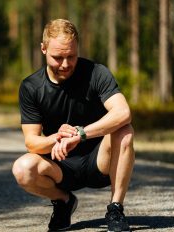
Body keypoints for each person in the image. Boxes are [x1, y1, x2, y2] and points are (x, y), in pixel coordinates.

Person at [12, 18, 135, 232]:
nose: (66, 64)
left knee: (124, 131)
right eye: (58, 58)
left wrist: (81, 134)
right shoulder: (31, 87)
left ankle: (116, 209)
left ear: (78, 48)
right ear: (43, 49)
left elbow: (123, 112)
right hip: (61, 166)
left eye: (71, 56)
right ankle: (63, 201)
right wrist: (57, 139)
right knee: (22, 169)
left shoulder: (96, 73)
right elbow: (32, 142)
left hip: (101, 161)